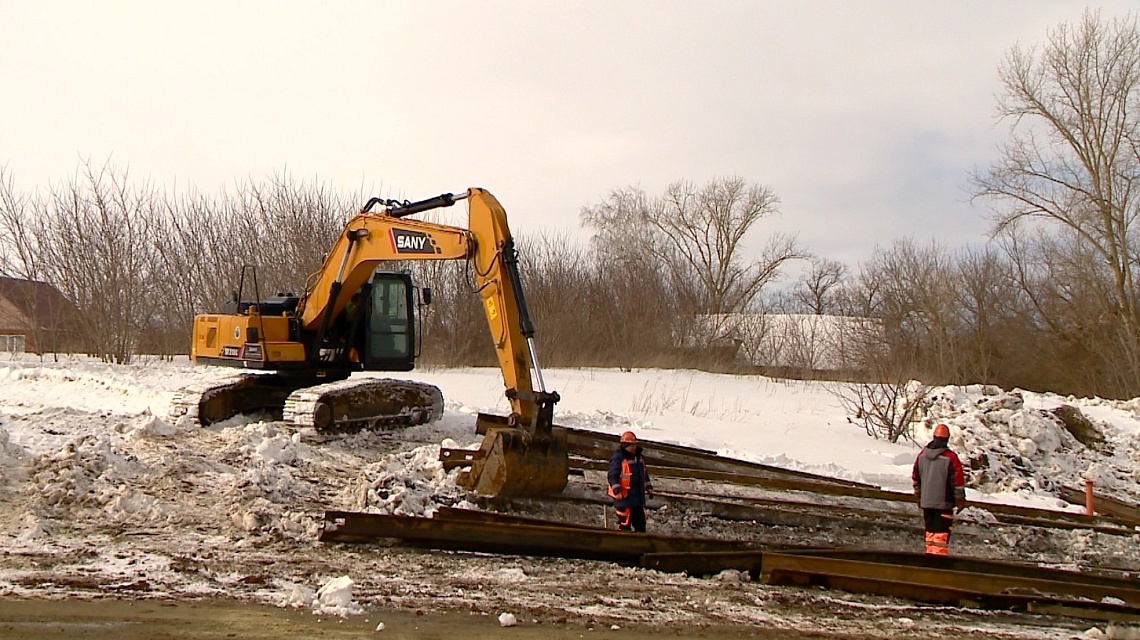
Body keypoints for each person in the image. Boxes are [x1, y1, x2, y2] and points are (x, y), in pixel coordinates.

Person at [911, 423, 966, 556]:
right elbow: (957, 482)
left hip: (926, 503)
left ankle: (930, 556)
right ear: (947, 439)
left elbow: (915, 478)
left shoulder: (922, 455)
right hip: (943, 503)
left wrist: (919, 497)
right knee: (941, 534)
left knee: (930, 532)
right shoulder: (950, 457)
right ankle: (938, 560)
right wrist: (960, 500)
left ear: (934, 437)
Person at [608, 430, 654, 532]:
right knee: (625, 524)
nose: (634, 447)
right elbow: (612, 476)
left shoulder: (639, 458)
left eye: (634, 445)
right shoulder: (618, 458)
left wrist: (649, 487)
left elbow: (644, 474)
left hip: (638, 498)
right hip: (624, 498)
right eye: (632, 445)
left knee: (640, 524)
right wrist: (617, 491)